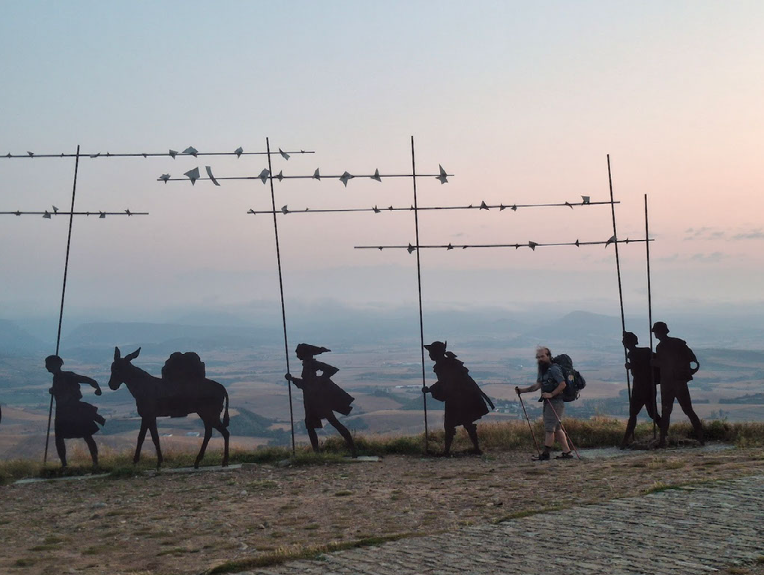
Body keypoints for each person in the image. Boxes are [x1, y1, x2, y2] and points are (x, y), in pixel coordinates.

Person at [421, 341, 494, 456]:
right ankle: (473, 449)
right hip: (460, 397)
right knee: (465, 422)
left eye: (431, 352)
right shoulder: (447, 364)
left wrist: (430, 389)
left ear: (436, 353)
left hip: (458, 398)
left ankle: (448, 451)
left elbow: (446, 382)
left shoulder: (444, 366)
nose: (429, 355)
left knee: (451, 424)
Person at [285, 344, 357, 457]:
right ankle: (318, 453)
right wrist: (294, 379)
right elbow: (306, 383)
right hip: (311, 400)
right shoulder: (307, 364)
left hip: (317, 400)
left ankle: (351, 448)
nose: (296, 354)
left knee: (331, 422)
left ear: (304, 353)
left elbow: (330, 370)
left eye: (298, 352)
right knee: (313, 425)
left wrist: (319, 381)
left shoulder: (312, 364)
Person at [45, 355, 105, 467]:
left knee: (86, 436)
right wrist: (54, 390)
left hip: (73, 411)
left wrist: (97, 387)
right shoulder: (56, 378)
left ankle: (94, 462)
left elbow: (86, 379)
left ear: (55, 365)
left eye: (48, 364)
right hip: (63, 412)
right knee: (62, 438)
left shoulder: (68, 376)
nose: (46, 366)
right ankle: (65, 464)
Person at [651, 322, 704, 447]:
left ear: (660, 332)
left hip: (670, 383)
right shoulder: (677, 343)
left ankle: (663, 440)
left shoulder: (662, 347)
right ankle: (701, 438)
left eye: (656, 332)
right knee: (687, 410)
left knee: (668, 412)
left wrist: (654, 363)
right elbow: (692, 359)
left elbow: (667, 363)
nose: (655, 334)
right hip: (677, 382)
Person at [515, 346, 571, 460]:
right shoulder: (543, 370)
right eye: (538, 357)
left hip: (555, 402)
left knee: (549, 428)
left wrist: (551, 394)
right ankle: (567, 452)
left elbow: (563, 384)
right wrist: (522, 391)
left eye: (542, 356)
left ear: (548, 356)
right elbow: (537, 386)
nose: (540, 359)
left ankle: (546, 454)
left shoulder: (554, 369)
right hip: (549, 402)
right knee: (557, 428)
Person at [620, 331, 661, 448]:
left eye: (624, 341)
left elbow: (639, 367)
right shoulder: (646, 351)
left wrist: (630, 366)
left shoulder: (632, 354)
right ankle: (665, 434)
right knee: (653, 414)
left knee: (633, 414)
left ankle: (624, 441)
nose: (623, 343)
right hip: (650, 386)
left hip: (640, 387)